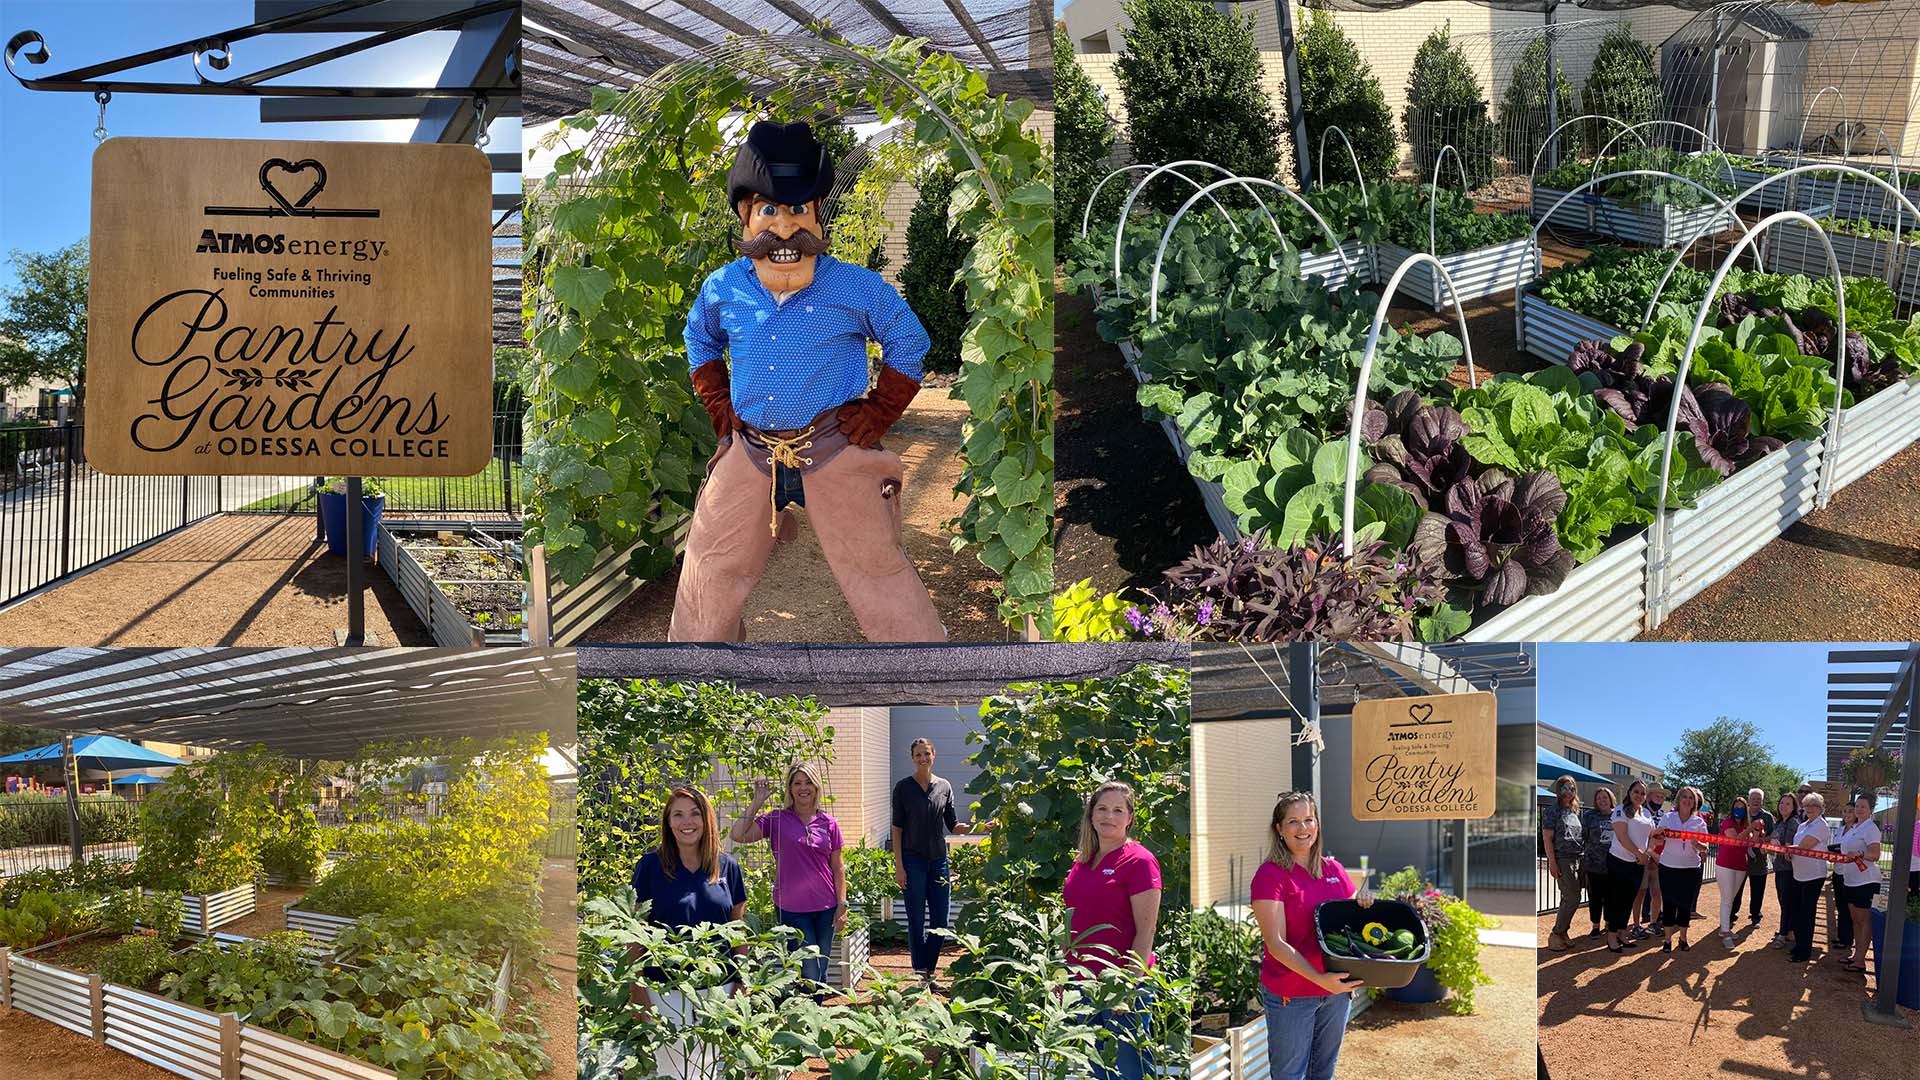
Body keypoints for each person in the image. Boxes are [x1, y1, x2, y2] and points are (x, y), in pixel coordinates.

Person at [670, 119, 944, 642]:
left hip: (835, 445)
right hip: (750, 447)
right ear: (746, 219)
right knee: (708, 562)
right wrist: (719, 408)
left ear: (817, 214)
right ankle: (698, 671)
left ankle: (918, 668)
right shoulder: (723, 287)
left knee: (876, 567)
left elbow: (910, 344)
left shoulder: (856, 287)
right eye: (768, 211)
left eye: (797, 210)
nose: (784, 227)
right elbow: (699, 340)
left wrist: (878, 411)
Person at [1252, 790, 1374, 1080]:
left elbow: (1351, 922)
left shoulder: (1333, 869)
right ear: (1279, 829)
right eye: (1293, 821)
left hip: (1335, 994)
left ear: (1317, 824)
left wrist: (1365, 902)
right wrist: (1320, 979)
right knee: (1290, 1075)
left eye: (1309, 819)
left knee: (1323, 1073)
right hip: (1292, 995)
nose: (1303, 828)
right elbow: (1276, 943)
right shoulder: (1270, 875)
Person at [630, 787, 748, 1079]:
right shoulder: (649, 868)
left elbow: (739, 934)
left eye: (695, 814)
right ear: (668, 823)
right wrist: (637, 991)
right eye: (678, 815)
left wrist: (743, 984)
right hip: (665, 991)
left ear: (707, 820)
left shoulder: (728, 868)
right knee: (673, 1071)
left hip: (718, 990)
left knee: (708, 1070)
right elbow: (636, 935)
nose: (687, 822)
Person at [1063, 781, 1162, 1080]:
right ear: (1091, 815)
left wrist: (1127, 987)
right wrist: (1061, 971)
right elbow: (1072, 920)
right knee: (1099, 1067)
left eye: (1118, 810)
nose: (1109, 816)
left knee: (1132, 1070)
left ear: (1130, 817)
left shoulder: (1140, 862)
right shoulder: (1082, 861)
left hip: (1122, 984)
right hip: (1084, 983)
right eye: (1102, 809)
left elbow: (1147, 930)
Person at [732, 766, 847, 988]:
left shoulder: (829, 823)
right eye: (797, 783)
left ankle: (812, 1017)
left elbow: (838, 866)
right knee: (810, 972)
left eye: (808, 782)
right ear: (790, 789)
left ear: (816, 787)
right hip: (792, 910)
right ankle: (806, 1015)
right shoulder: (776, 819)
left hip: (826, 908)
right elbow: (738, 835)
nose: (803, 788)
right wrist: (757, 801)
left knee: (820, 972)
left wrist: (842, 903)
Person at [890, 737, 969, 989]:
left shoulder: (944, 786)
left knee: (940, 921)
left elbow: (953, 825)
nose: (923, 758)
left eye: (926, 753)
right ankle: (922, 974)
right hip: (912, 861)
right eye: (918, 755)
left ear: (934, 754)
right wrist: (899, 866)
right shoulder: (903, 788)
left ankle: (929, 971)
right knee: (915, 919)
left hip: (938, 861)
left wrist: (972, 827)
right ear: (912, 758)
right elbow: (897, 829)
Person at [1652, 785, 1709, 951]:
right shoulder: (1668, 818)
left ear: (1695, 802)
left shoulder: (1699, 822)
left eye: (1691, 798)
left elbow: (1705, 847)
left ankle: (1683, 939)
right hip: (1668, 867)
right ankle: (1668, 940)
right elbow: (1658, 840)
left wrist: (1697, 844)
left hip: (1691, 869)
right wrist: (1659, 834)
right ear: (1679, 799)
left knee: (1685, 905)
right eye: (1684, 796)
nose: (1687, 800)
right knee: (1669, 904)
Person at [1603, 780, 1656, 953]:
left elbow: (1653, 836)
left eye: (1642, 793)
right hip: (1619, 861)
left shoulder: (1647, 813)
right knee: (1615, 899)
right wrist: (1639, 853)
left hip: (1637, 864)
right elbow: (1621, 836)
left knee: (1628, 900)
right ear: (1630, 792)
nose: (1639, 795)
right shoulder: (1620, 810)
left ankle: (1621, 933)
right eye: (1636, 792)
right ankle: (1611, 936)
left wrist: (1648, 852)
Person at [1836, 793, 1885, 974]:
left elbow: (1875, 854)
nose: (1858, 809)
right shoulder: (1855, 827)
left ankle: (1861, 960)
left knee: (1864, 920)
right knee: (1856, 920)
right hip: (1851, 880)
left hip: (1867, 880)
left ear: (1871, 809)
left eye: (1863, 806)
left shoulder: (1870, 829)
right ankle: (1856, 955)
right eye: (1857, 806)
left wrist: (1861, 854)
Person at [1542, 776, 1586, 952]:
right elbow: (1547, 838)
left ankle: (1563, 933)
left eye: (1572, 789)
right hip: (1563, 858)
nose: (1569, 792)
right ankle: (1556, 932)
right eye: (1566, 789)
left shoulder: (1574, 811)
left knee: (1568, 897)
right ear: (1559, 790)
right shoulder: (1552, 811)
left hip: (1578, 857)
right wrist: (1552, 862)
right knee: (1573, 897)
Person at [1788, 792, 1832, 962]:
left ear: (1820, 808)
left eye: (1814, 806)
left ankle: (1804, 950)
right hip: (1799, 874)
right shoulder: (1802, 825)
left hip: (1814, 875)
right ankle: (1799, 945)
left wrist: (1787, 849)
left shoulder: (1821, 825)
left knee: (1807, 912)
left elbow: (1804, 846)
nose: (1810, 809)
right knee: (1798, 911)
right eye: (1807, 806)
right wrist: (1789, 852)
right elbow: (1797, 847)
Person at [1728, 787, 1773, 927]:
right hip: (1740, 857)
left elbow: (1773, 835)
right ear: (1748, 800)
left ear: (1762, 801)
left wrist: (1762, 841)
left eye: (1758, 799)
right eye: (1753, 798)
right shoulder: (1742, 814)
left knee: (1758, 889)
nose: (1755, 801)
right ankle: (1731, 914)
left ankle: (1755, 916)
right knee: (1736, 888)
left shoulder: (1767, 817)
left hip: (1759, 860)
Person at [1713, 795, 1752, 948]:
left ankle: (1725, 928)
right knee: (1727, 899)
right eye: (1736, 807)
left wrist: (1757, 832)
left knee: (1731, 898)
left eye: (1742, 808)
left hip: (1741, 866)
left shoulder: (1746, 825)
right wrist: (1750, 828)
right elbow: (1735, 840)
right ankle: (1725, 931)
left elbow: (1751, 841)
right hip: (1725, 865)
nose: (1739, 810)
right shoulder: (1727, 823)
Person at [1580, 787, 1617, 937]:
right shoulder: (1589, 816)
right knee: (1595, 896)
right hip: (1594, 864)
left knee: (1611, 897)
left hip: (1613, 864)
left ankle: (1608, 922)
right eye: (1599, 798)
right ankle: (1595, 925)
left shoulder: (1618, 816)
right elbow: (1584, 836)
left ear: (1611, 799)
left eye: (1605, 797)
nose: (1602, 800)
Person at [1768, 791, 1802, 949]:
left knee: (1787, 902)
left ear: (1794, 806)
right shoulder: (1780, 822)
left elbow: (1788, 848)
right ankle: (1789, 931)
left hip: (1789, 869)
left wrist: (1775, 846)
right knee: (1784, 901)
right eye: (1782, 803)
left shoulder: (1793, 822)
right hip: (1780, 868)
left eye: (1788, 803)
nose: (1783, 806)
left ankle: (1783, 935)